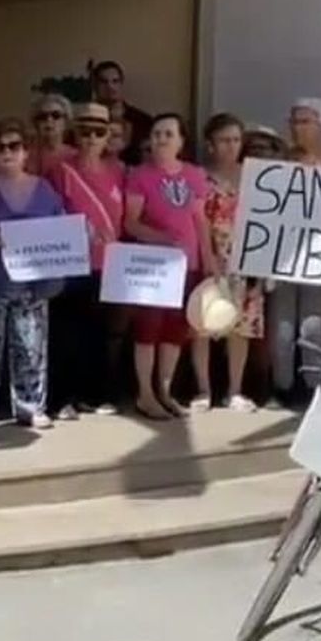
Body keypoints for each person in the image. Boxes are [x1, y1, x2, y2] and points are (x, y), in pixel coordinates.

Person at [0, 120, 66, 431]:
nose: (7, 152)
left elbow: (60, 226)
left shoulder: (44, 188)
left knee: (31, 346)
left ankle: (31, 405)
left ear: (25, 152)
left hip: (33, 284)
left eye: (14, 146)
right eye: (1, 147)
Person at [123, 113, 215, 420]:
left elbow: (200, 220)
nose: (161, 139)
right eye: (157, 133)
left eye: (168, 133)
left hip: (187, 265)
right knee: (148, 329)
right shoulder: (139, 175)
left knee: (175, 331)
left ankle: (165, 390)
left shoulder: (194, 175)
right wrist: (162, 239)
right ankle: (145, 394)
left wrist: (208, 258)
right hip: (154, 266)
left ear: (181, 140)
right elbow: (131, 223)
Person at [46, 103, 127, 418]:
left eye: (99, 131)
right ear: (75, 134)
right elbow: (51, 213)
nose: (92, 138)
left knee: (103, 334)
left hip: (109, 264)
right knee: (67, 334)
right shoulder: (61, 170)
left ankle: (97, 394)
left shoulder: (118, 171)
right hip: (72, 263)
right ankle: (63, 397)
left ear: (109, 136)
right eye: (85, 131)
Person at [270, 98, 321, 408]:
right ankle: (283, 385)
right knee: (281, 324)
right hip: (282, 253)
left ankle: (314, 385)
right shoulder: (277, 160)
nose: (298, 128)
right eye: (294, 121)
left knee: (314, 323)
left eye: (306, 121)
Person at [194, 114, 264, 414]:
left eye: (236, 140)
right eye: (224, 140)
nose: (231, 146)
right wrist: (209, 259)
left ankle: (235, 390)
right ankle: (203, 390)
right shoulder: (199, 177)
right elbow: (197, 221)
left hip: (246, 259)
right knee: (202, 324)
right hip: (211, 255)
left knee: (241, 327)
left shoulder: (255, 176)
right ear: (210, 144)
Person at [92, 60, 154, 166]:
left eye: (115, 81)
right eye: (103, 82)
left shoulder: (144, 121)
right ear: (95, 86)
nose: (110, 86)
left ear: (121, 84)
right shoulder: (86, 121)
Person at [29, 93, 73, 175]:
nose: (49, 120)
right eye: (42, 116)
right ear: (36, 123)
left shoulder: (75, 156)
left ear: (66, 122)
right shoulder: (25, 156)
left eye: (56, 115)